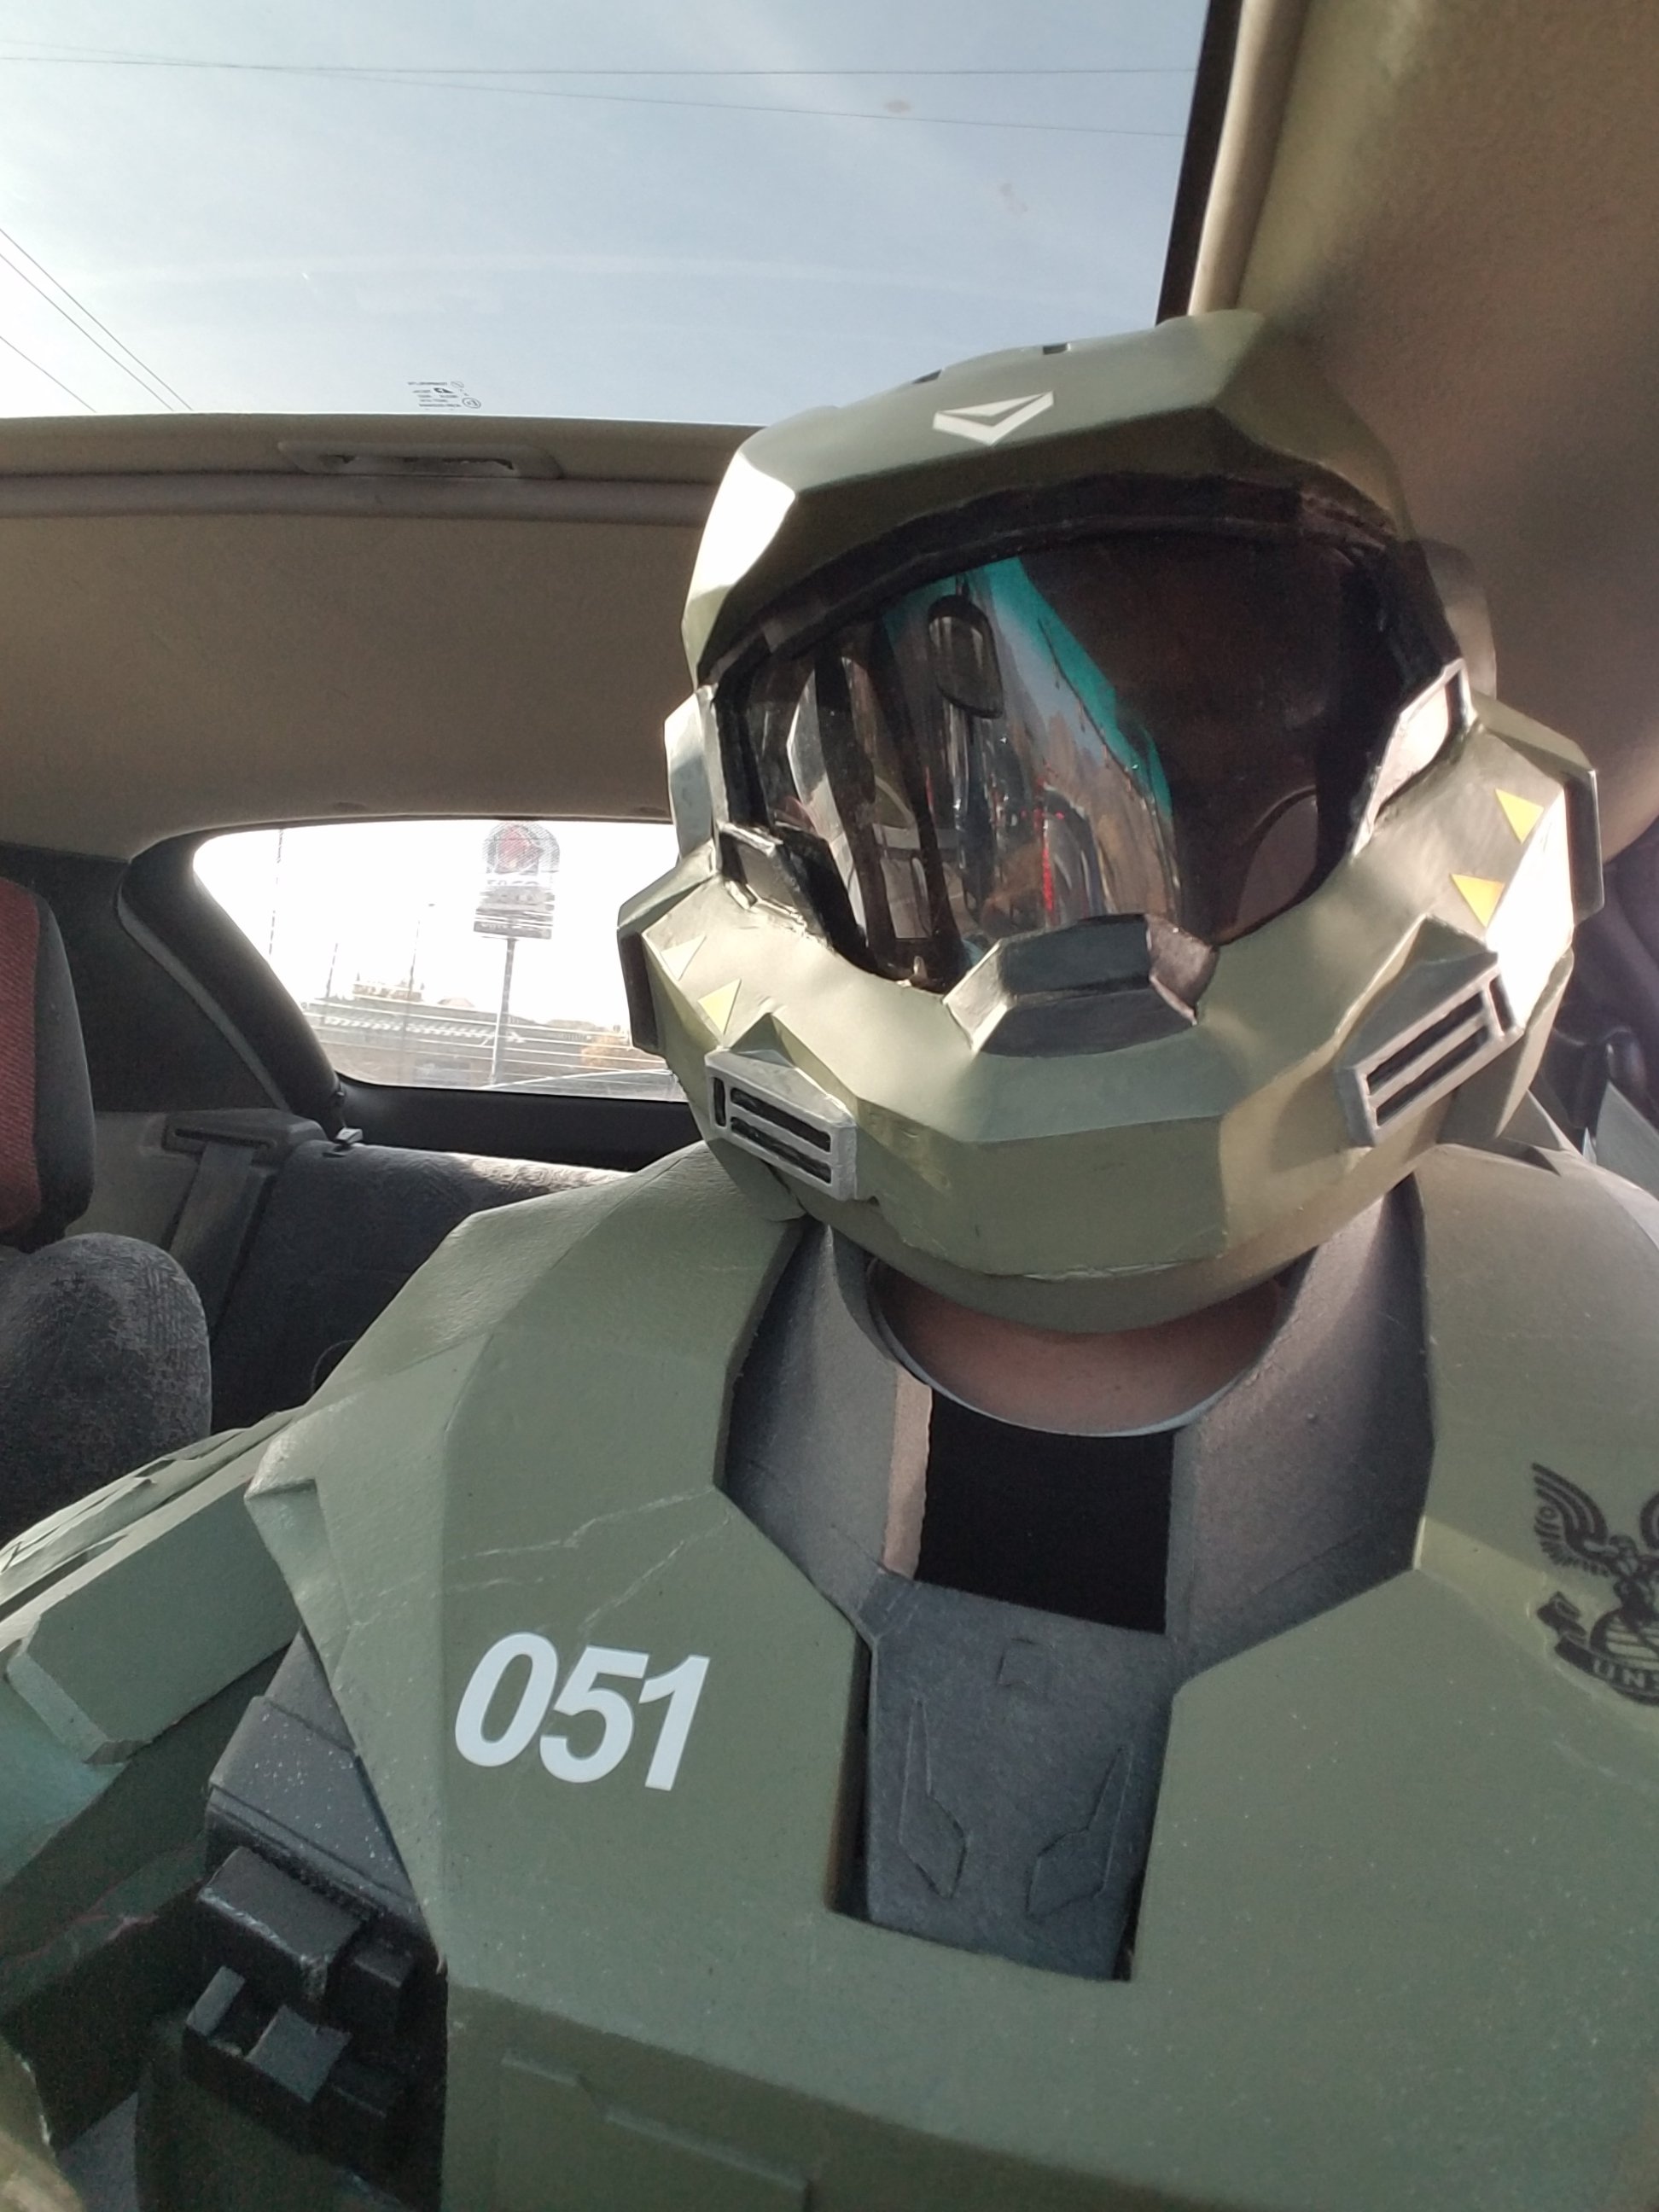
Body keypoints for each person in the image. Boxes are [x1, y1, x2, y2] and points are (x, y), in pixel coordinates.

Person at [3, 310, 1657, 2211]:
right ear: (756, 854)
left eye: (1195, 778)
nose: (1084, 930)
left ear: (1410, 736)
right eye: (970, 828)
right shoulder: (489, 1338)